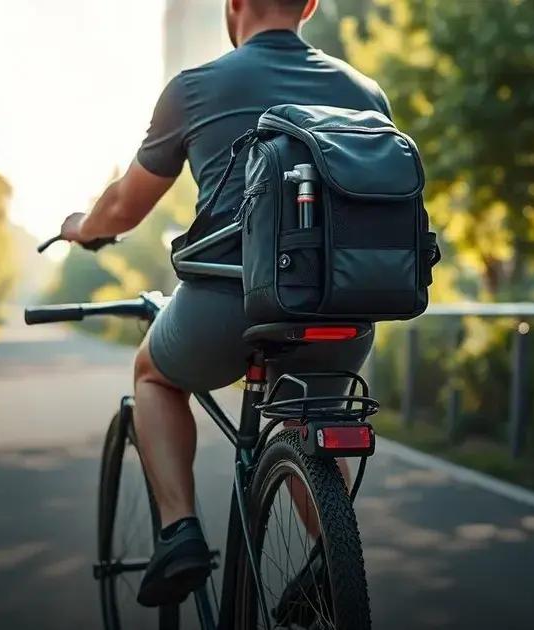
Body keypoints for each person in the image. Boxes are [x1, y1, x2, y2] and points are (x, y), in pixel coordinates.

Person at [58, 0, 392, 607]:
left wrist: (84, 227)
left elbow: (123, 209)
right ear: (310, 5)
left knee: (153, 377)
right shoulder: (365, 93)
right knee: (308, 410)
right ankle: (329, 567)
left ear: (234, 5)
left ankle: (180, 532)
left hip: (228, 308)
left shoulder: (195, 87)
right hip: (343, 314)